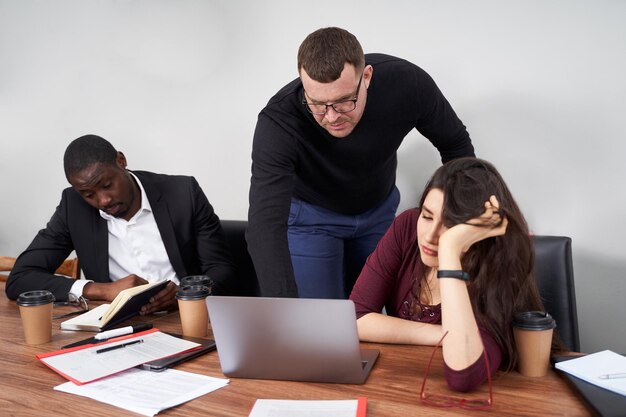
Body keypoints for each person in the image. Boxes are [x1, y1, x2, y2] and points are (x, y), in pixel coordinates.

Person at [247, 27, 475, 299]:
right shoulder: (279, 123)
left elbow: (456, 146)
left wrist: (464, 218)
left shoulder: (407, 84)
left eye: (344, 101)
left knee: (383, 311)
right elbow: (265, 224)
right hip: (311, 218)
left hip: (378, 210)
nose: (331, 117)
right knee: (320, 322)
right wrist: (285, 308)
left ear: (366, 76)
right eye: (318, 104)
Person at [349, 157, 556, 392]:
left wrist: (450, 250)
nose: (430, 236)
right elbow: (355, 319)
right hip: (407, 386)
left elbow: (463, 376)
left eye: (450, 225)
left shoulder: (496, 267)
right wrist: (442, 334)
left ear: (475, 232)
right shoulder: (407, 226)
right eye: (427, 217)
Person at [6, 135, 237, 315]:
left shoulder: (183, 193)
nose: (103, 200)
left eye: (107, 185)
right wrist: (102, 290)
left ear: (121, 161)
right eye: (88, 194)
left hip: (186, 321)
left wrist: (186, 295)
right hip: (119, 329)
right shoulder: (73, 207)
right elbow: (20, 279)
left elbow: (221, 268)